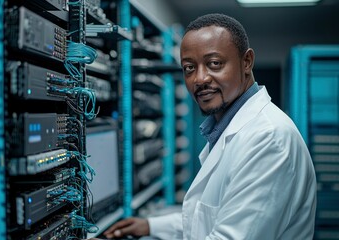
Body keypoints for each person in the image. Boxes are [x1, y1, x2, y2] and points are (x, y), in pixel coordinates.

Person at [90, 13, 317, 240]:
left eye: (214, 64)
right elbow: (208, 217)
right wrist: (150, 226)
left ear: (246, 62)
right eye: (189, 68)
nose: (200, 78)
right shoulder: (227, 130)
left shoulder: (268, 139)